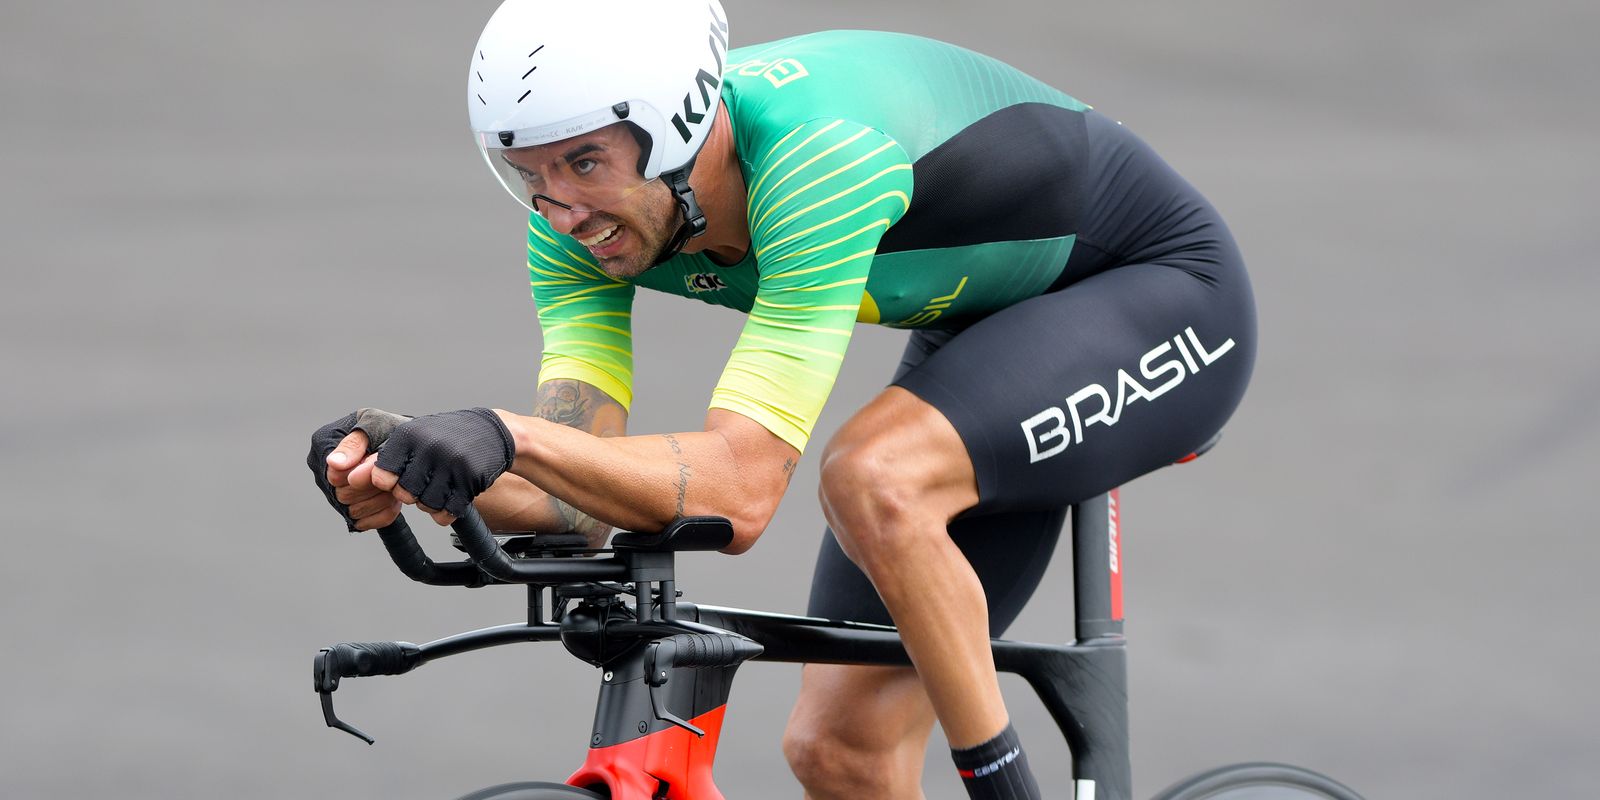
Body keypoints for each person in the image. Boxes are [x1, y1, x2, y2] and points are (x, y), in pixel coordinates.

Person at [308, 1, 1256, 797]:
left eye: (585, 164)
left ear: (677, 123)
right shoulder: (572, 226)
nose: (560, 211)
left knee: (874, 476)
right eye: (531, 174)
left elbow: (739, 492)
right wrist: (424, 462)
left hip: (1157, 294)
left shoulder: (814, 160)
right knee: (839, 752)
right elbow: (568, 493)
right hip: (986, 328)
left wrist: (508, 436)